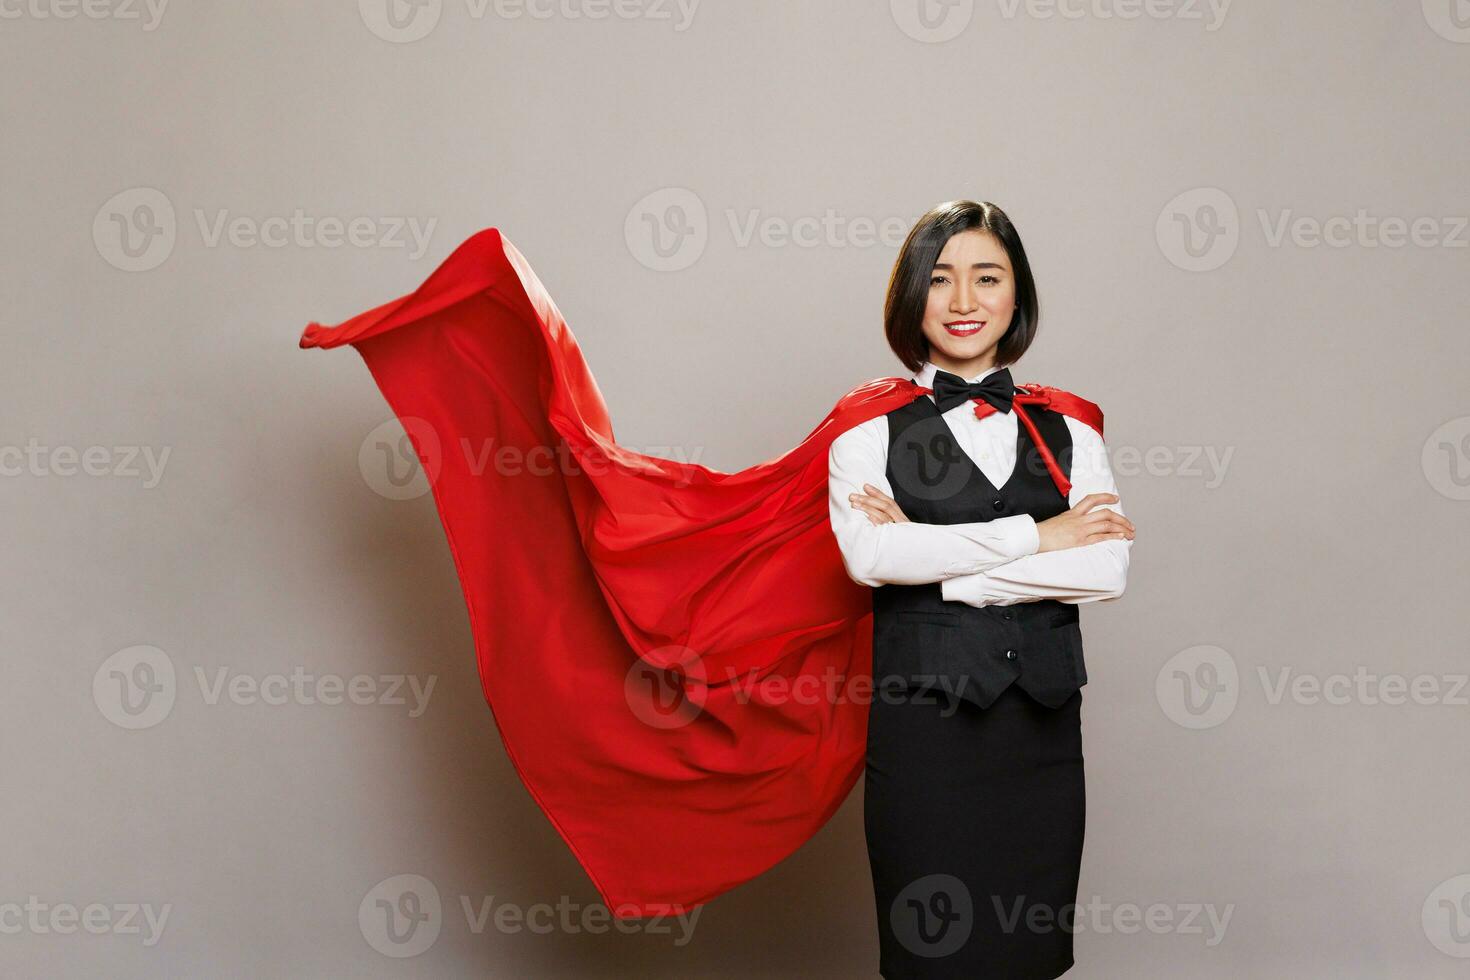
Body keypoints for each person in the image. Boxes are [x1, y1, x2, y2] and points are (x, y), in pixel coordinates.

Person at [826, 200, 1135, 978]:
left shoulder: (1072, 429)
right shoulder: (866, 429)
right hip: (925, 741)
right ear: (910, 296)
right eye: (940, 279)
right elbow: (869, 558)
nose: (963, 302)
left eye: (986, 277)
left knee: (1030, 956)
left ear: (1016, 295)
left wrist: (944, 570)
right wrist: (1040, 536)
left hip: (1041, 738)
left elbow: (1106, 569)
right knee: (933, 961)